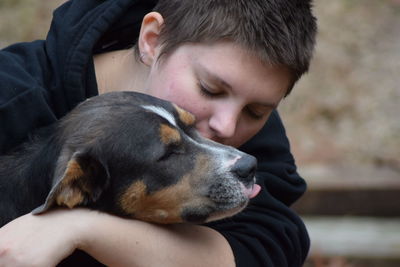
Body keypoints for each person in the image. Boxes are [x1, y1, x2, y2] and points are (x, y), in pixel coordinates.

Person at [0, 0, 317, 266]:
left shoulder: (228, 115)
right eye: (210, 89)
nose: (228, 127)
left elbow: (270, 246)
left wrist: (79, 227)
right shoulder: (12, 99)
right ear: (152, 39)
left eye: (257, 112)